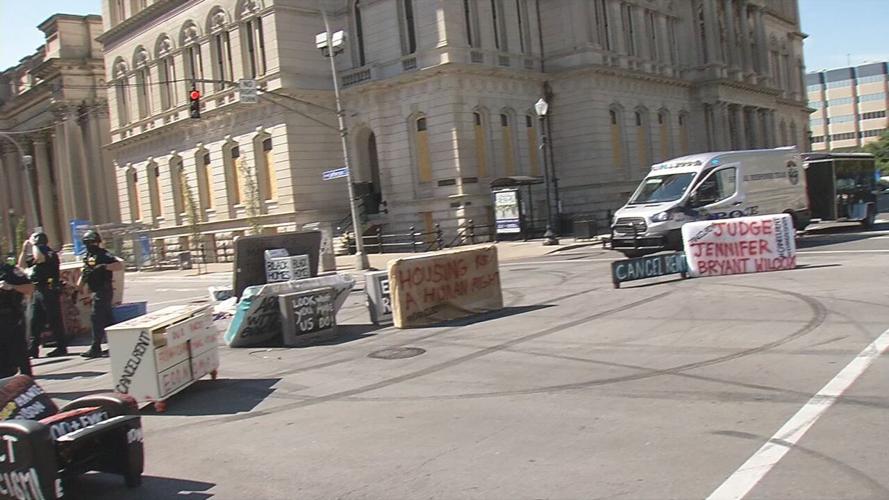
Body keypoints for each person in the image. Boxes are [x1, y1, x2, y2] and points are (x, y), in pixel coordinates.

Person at [19, 232, 68, 358]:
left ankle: (61, 346)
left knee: (54, 319)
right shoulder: (36, 255)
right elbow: (22, 266)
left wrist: (34, 244)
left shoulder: (49, 253)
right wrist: (24, 250)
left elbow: (40, 257)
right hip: (37, 289)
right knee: (34, 320)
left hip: (49, 289)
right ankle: (33, 348)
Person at [77, 230, 124, 358]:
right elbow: (85, 272)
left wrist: (104, 267)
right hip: (96, 290)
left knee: (96, 318)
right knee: (107, 318)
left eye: (91, 242)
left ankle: (95, 347)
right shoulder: (88, 256)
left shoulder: (103, 254)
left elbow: (118, 265)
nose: (89, 245)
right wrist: (78, 288)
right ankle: (116, 344)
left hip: (103, 289)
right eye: (87, 243)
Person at [0, 261, 35, 377]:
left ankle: (28, 387)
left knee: (20, 355)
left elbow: (30, 288)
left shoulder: (8, 270)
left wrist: (11, 287)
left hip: (10, 319)